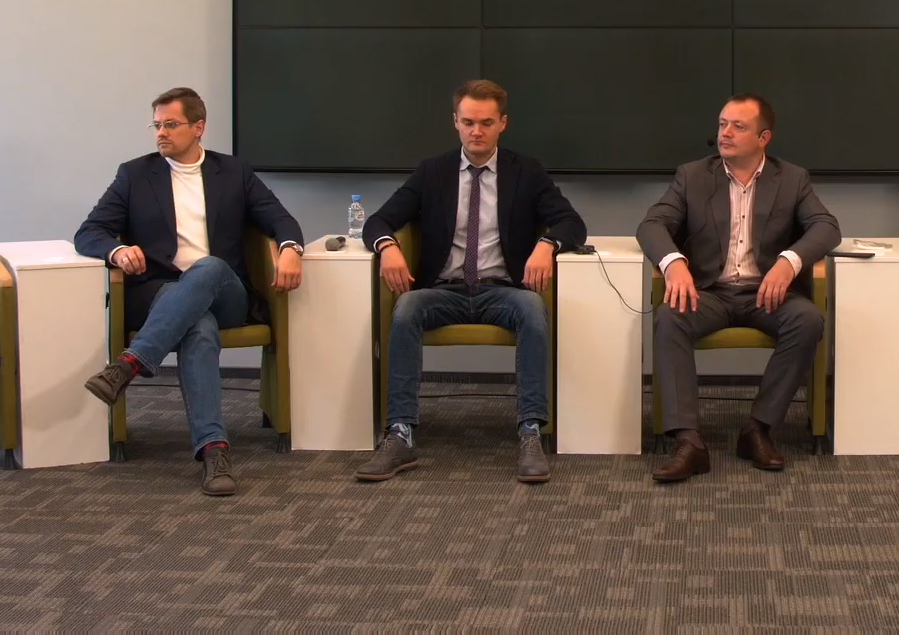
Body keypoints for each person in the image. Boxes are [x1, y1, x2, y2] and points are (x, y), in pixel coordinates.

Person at [352, 80, 586, 485]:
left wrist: (547, 244)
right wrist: (387, 246)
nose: (476, 131)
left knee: (533, 308)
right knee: (406, 308)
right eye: (468, 122)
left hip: (503, 290)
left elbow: (572, 222)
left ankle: (531, 431)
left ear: (503, 124)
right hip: (444, 289)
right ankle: (401, 434)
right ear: (455, 122)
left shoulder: (526, 172)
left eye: (486, 123)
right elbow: (379, 220)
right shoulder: (433, 171)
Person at [76, 87, 305, 497]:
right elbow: (89, 232)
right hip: (159, 292)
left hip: (226, 292)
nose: (161, 133)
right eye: (156, 125)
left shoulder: (233, 171)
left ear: (198, 127)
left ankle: (129, 364)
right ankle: (214, 452)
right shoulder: (134, 174)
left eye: (171, 124)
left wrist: (289, 249)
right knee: (198, 327)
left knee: (210, 267)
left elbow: (280, 219)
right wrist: (117, 250)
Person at [640, 94, 841, 483]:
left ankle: (758, 430)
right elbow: (652, 224)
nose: (725, 133)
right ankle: (688, 442)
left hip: (766, 295)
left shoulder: (792, 179)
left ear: (764, 138)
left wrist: (789, 262)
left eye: (738, 126)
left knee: (808, 320)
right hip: (708, 292)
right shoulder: (693, 175)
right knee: (670, 317)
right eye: (722, 124)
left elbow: (826, 226)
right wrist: (674, 263)